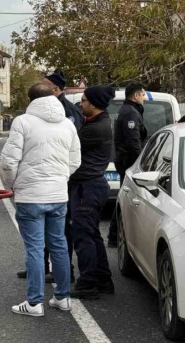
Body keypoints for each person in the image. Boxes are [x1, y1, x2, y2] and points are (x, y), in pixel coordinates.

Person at [0, 82, 81, 317]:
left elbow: (8, 161)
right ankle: (63, 297)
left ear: (30, 100)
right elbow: (75, 159)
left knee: (35, 248)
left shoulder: (23, 122)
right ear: (54, 97)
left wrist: (12, 184)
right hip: (58, 195)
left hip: (31, 196)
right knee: (59, 245)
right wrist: (60, 178)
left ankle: (34, 303)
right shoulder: (67, 124)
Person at [16, 69, 84, 282]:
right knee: (43, 237)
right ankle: (39, 267)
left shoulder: (69, 113)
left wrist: (62, 175)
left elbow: (73, 152)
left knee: (60, 235)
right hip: (53, 181)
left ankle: (62, 273)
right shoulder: (37, 113)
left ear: (55, 90)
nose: (41, 88)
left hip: (59, 183)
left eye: (45, 85)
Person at [69, 86, 117, 299]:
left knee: (83, 236)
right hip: (91, 185)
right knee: (92, 235)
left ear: (95, 104)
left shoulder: (96, 129)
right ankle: (103, 280)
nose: (81, 104)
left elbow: (67, 147)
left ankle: (87, 284)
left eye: (84, 100)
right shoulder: (96, 122)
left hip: (86, 187)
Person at [107, 83, 147, 247]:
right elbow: (133, 142)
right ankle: (114, 235)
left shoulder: (131, 110)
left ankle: (115, 235)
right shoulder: (130, 112)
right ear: (136, 96)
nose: (144, 98)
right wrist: (140, 164)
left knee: (125, 199)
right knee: (124, 200)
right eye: (143, 95)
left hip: (126, 161)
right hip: (129, 162)